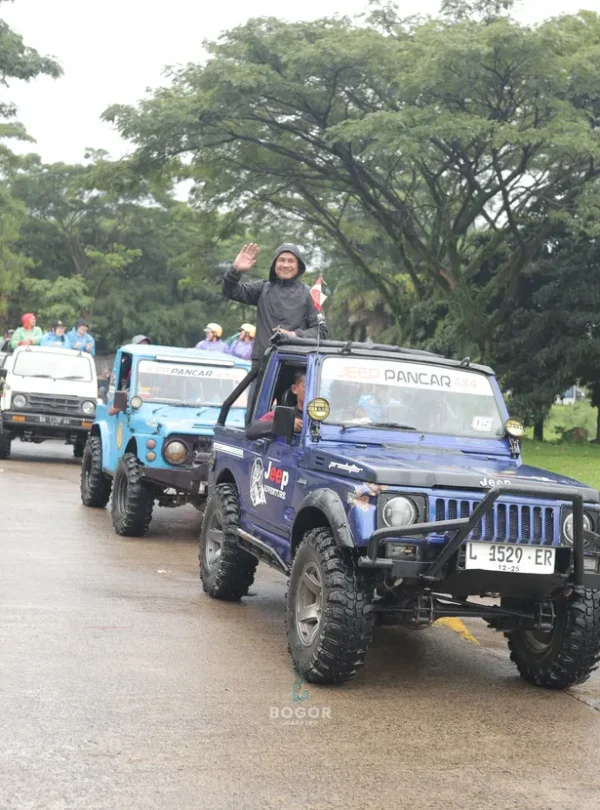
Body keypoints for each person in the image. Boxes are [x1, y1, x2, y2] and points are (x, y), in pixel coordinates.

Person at [222, 242, 327, 368]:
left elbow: (321, 332)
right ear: (274, 264)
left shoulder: (313, 293)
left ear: (299, 266)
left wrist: (293, 335)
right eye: (281, 260)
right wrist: (235, 270)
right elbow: (230, 291)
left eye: (291, 261)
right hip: (262, 364)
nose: (285, 265)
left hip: (297, 364)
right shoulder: (262, 288)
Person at [246, 370, 305, 440]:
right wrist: (287, 423)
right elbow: (251, 431)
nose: (312, 394)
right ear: (294, 389)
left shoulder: (321, 418)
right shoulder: (285, 415)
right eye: (307, 386)